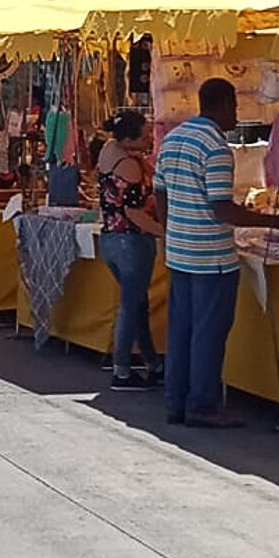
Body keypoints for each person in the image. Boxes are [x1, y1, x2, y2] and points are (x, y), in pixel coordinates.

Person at [154, 78, 279, 428]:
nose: (236, 113)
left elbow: (159, 191)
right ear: (221, 105)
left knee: (181, 330)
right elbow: (222, 209)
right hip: (211, 259)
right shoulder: (216, 148)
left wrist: (171, 227)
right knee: (208, 331)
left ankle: (176, 401)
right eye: (233, 106)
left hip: (180, 253)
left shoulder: (173, 139)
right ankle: (202, 404)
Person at [98, 110, 164, 392]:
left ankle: (153, 363)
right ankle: (122, 370)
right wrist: (165, 232)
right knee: (130, 305)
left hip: (110, 239)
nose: (150, 138)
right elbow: (134, 212)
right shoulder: (130, 166)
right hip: (132, 241)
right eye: (146, 134)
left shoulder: (109, 151)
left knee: (137, 304)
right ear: (129, 137)